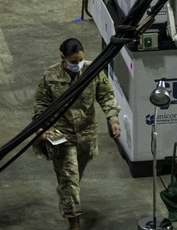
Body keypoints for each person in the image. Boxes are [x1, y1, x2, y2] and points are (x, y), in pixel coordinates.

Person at [33, 38, 121, 230]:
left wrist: (113, 119)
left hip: (86, 133)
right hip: (59, 132)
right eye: (73, 62)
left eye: (80, 60)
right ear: (63, 58)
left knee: (74, 175)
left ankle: (66, 191)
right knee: (69, 178)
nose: (78, 64)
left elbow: (106, 96)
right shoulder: (50, 76)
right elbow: (41, 104)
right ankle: (74, 222)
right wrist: (41, 127)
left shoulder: (93, 71)